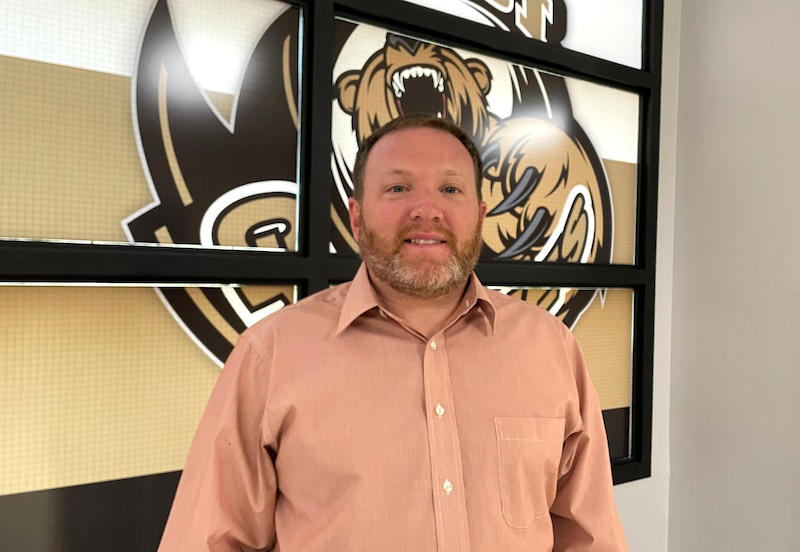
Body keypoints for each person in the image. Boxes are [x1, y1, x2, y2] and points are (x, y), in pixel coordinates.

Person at [158, 114, 628, 551]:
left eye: (450, 188)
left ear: (480, 215)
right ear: (357, 217)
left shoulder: (551, 347)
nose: (427, 210)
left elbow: (589, 537)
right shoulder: (272, 354)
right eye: (399, 187)